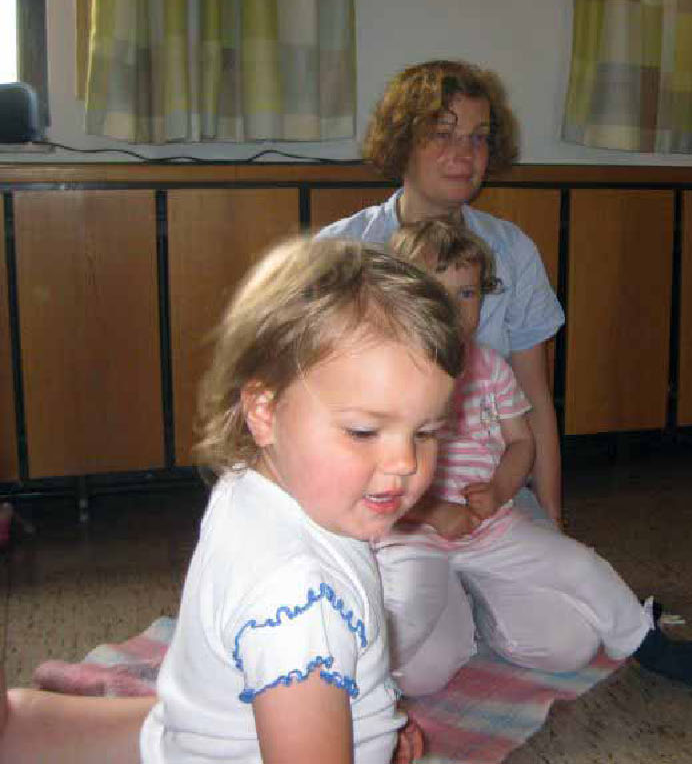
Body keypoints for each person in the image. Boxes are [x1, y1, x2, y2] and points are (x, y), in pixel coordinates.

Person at [0, 236, 462, 764]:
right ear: (264, 412)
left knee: (26, 726)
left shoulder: (259, 482)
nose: (405, 462)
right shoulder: (300, 608)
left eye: (426, 432)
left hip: (196, 729)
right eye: (363, 431)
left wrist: (372, 722)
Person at [379, 217, 692, 696]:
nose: (454, 309)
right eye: (436, 293)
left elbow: (521, 442)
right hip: (414, 533)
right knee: (418, 650)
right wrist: (434, 512)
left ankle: (644, 641)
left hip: (489, 526)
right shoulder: (384, 374)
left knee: (577, 575)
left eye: (467, 293)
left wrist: (500, 488)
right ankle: (355, 682)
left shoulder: (489, 367)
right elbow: (373, 473)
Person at [319, 59, 564, 529]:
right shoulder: (341, 250)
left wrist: (553, 519)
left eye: (479, 137)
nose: (465, 153)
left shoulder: (512, 249)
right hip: (378, 494)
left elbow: (534, 396)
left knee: (575, 573)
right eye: (442, 133)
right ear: (402, 142)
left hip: (489, 488)